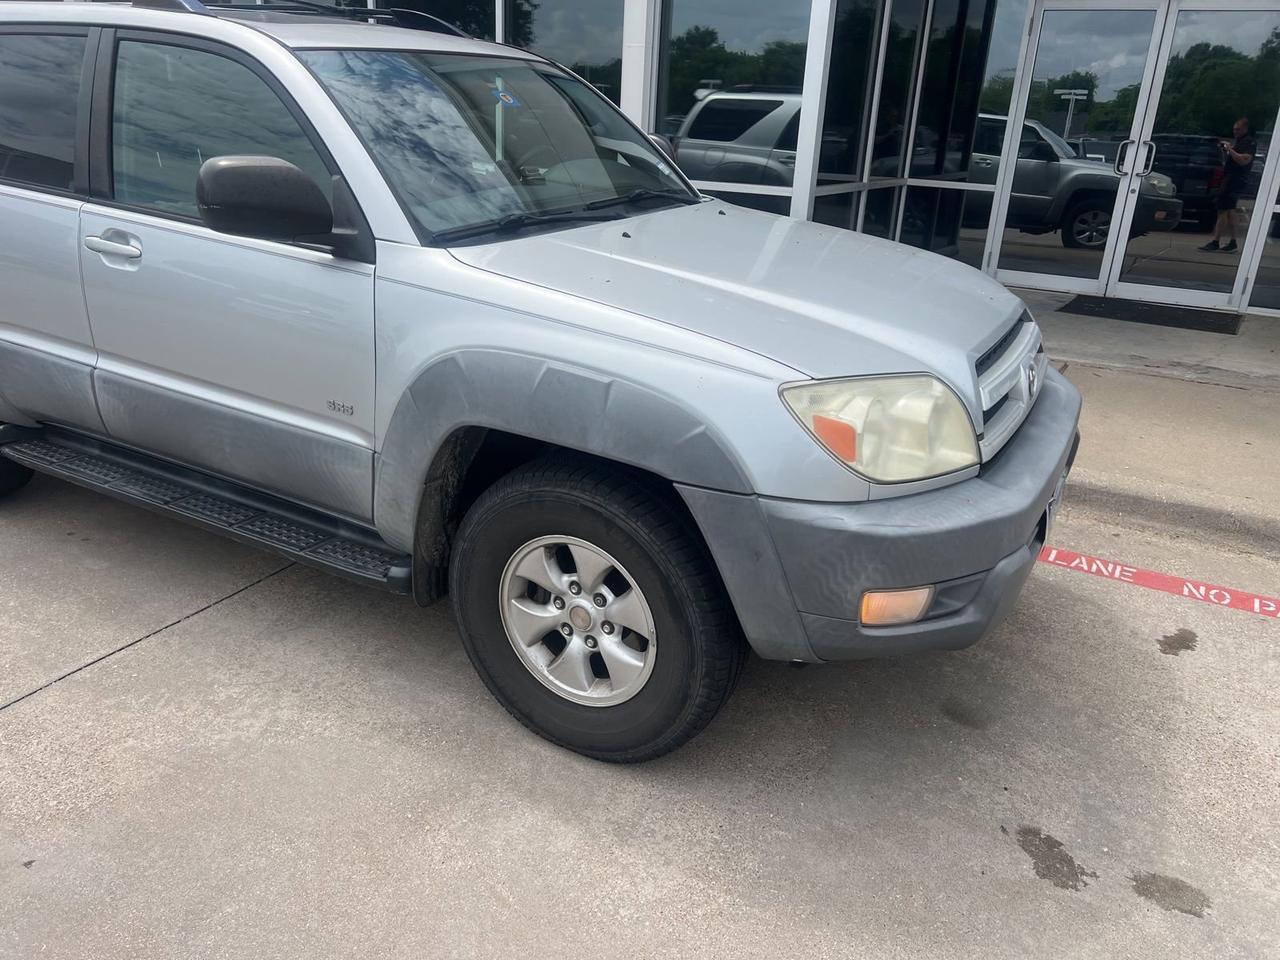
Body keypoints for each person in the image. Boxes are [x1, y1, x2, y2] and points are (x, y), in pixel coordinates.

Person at [1200, 117, 1257, 253]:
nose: (1235, 132)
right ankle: (1233, 242)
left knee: (1222, 210)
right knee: (1230, 211)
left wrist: (1230, 149)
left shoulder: (1249, 143)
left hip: (1235, 180)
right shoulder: (1241, 141)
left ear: (1245, 129)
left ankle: (1216, 241)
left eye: (1238, 129)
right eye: (1234, 129)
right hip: (1230, 178)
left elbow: (1244, 160)